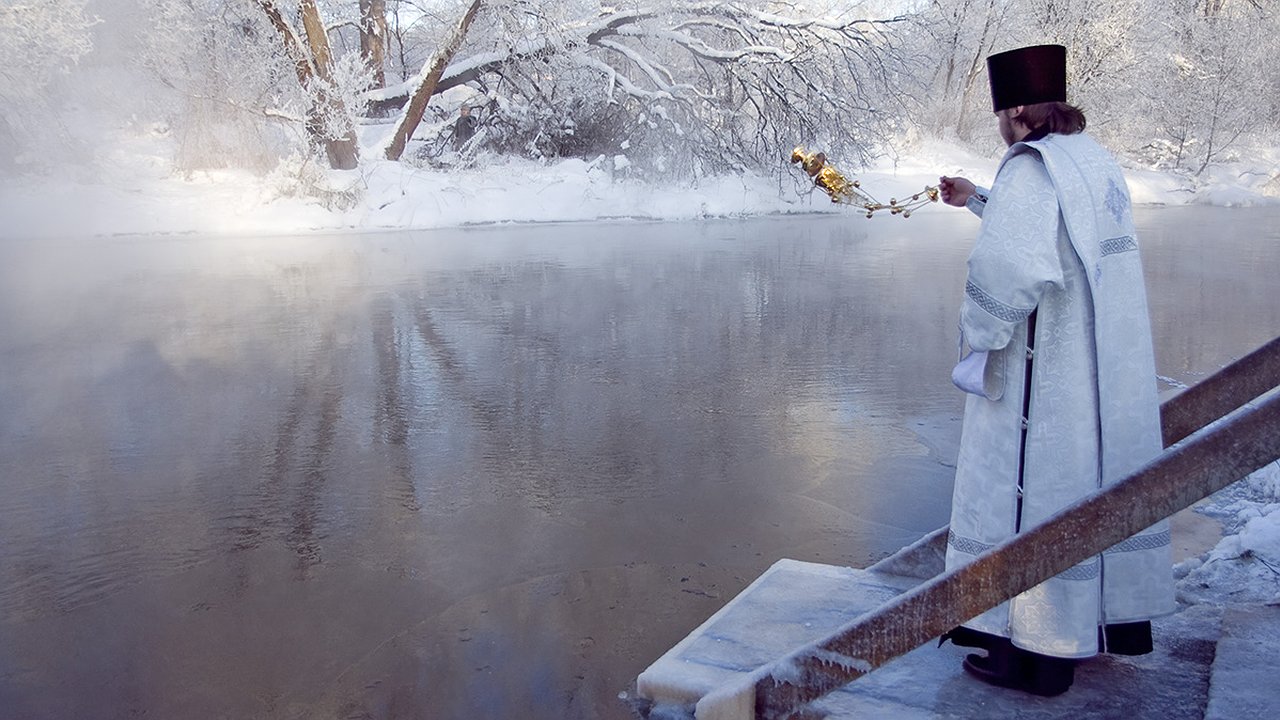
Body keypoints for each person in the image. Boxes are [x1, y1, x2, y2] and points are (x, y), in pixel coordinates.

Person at [935, 44, 1174, 697]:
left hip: (1041, 384)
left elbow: (1010, 268)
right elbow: (1055, 234)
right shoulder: (1089, 160)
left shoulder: (1032, 168)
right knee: (1077, 496)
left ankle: (1031, 657)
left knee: (1029, 503)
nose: (1000, 128)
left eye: (1000, 116)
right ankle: (1069, 639)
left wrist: (976, 342)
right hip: (1094, 378)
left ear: (1016, 110)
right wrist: (981, 198)